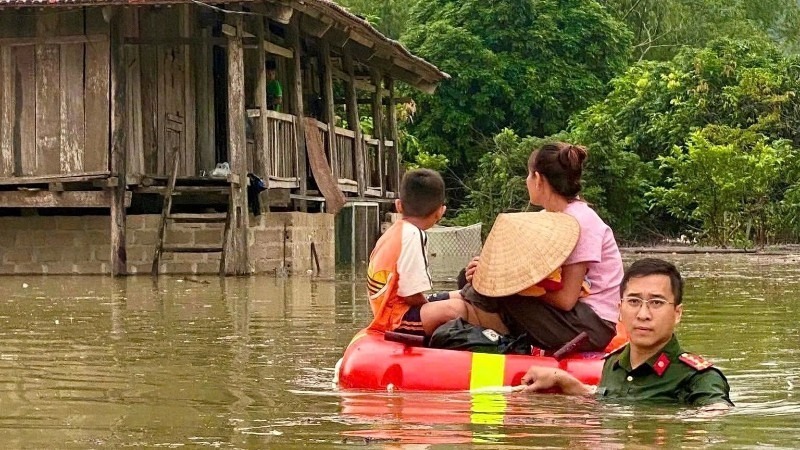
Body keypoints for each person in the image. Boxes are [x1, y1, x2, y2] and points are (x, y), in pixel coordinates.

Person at [437, 143, 624, 352]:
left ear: (538, 179)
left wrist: (511, 284)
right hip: (570, 316)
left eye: (528, 175)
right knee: (473, 279)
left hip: (590, 325)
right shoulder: (545, 219)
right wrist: (485, 271)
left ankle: (449, 309)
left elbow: (566, 300)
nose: (526, 181)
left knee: (494, 291)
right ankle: (453, 306)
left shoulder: (581, 221)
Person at [520, 258, 733, 408]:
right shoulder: (613, 365)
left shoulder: (699, 378)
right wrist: (562, 380)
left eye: (656, 303)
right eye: (633, 301)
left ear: (677, 313)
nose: (643, 314)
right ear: (619, 310)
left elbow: (715, 415)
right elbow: (606, 400)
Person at [366, 169, 446, 336]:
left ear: (398, 205)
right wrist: (432, 309)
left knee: (458, 296)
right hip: (396, 318)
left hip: (388, 311)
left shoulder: (394, 231)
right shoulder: (413, 235)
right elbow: (411, 295)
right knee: (457, 308)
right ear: (440, 211)